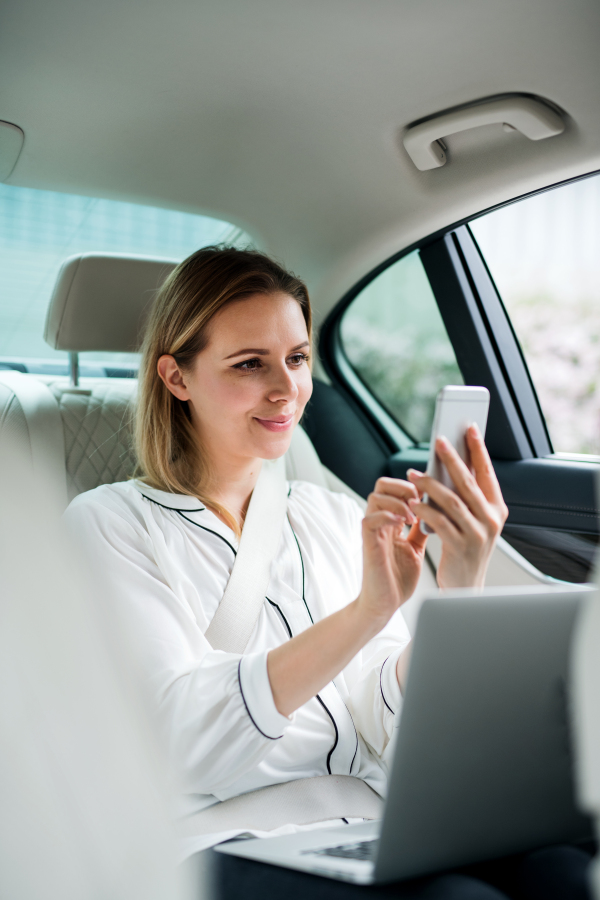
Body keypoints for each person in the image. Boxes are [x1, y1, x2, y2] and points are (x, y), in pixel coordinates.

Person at [64, 247, 592, 899]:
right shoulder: (110, 525)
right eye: (249, 364)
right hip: (223, 842)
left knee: (572, 872)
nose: (287, 389)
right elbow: (181, 742)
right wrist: (364, 613)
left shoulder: (332, 515)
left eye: (297, 357)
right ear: (177, 378)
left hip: (373, 822)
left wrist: (459, 588)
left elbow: (386, 724)